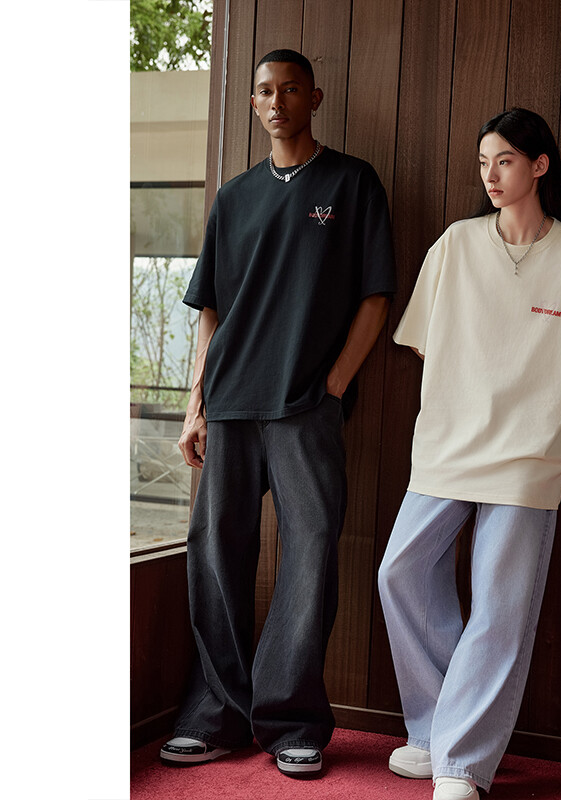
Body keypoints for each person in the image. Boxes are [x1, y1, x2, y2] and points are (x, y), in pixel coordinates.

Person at [377, 108, 561, 800]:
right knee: (400, 573)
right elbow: (426, 344)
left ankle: (461, 764)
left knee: (500, 607)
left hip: (528, 459)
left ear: (539, 165)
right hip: (446, 447)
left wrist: (539, 404)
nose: (491, 176)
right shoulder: (455, 244)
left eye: (505, 161)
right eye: (483, 163)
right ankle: (436, 729)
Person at [159, 49, 396, 777]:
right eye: (264, 90)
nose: (276, 101)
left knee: (312, 553)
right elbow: (210, 311)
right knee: (215, 550)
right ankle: (217, 713)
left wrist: (334, 386)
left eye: (290, 89)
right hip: (230, 401)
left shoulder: (352, 183)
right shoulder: (233, 197)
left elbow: (376, 297)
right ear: (254, 102)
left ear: (313, 97)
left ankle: (293, 721)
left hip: (305, 404)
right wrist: (195, 406)